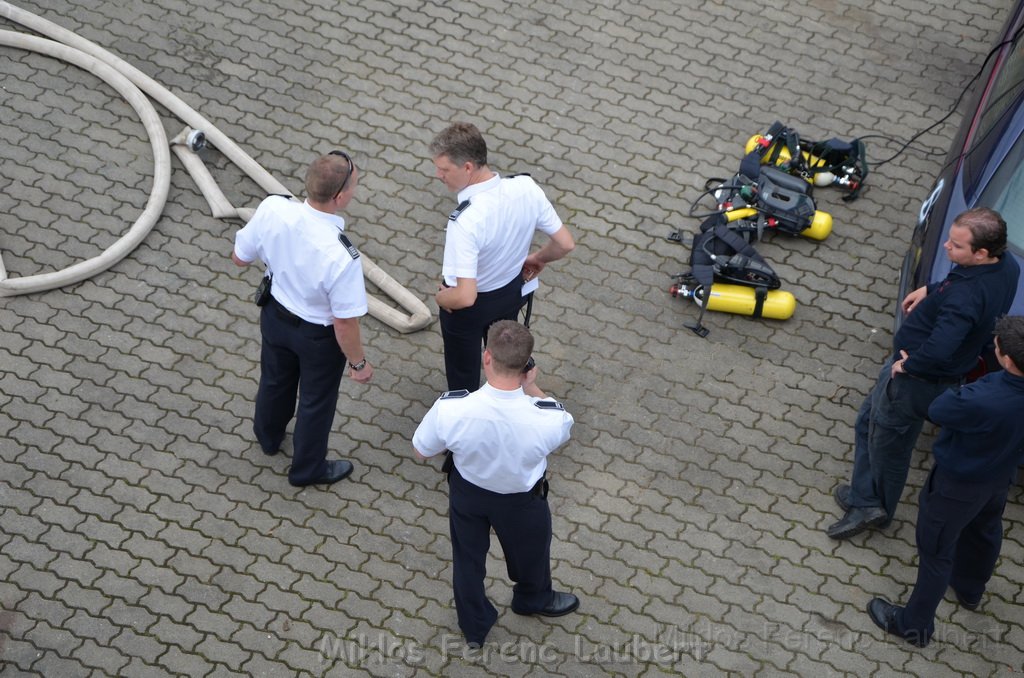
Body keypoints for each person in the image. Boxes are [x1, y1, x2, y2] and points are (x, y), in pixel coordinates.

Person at [827, 207, 1019, 539]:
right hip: (927, 374)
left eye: (957, 246)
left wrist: (909, 365)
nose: (946, 247)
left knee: (888, 444)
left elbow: (942, 346)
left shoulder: (964, 301)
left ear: (982, 252)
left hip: (916, 381)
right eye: (950, 240)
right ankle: (864, 494)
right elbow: (964, 283)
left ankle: (873, 509)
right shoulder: (1006, 266)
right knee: (868, 423)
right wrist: (932, 289)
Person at [412, 320, 577, 647]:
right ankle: (532, 599)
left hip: (468, 494)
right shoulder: (550, 419)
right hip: (522, 501)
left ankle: (474, 627)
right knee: (532, 554)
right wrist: (531, 388)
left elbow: (420, 451)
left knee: (467, 561)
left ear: (486, 357)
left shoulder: (452, 408)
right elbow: (561, 427)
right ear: (527, 366)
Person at [867, 315, 1024, 648]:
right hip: (1000, 476)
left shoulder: (982, 397)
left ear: (1006, 359)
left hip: (958, 486)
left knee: (936, 551)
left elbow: (938, 410)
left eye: (996, 345)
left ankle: (913, 625)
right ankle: (969, 589)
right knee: (985, 529)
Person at [231, 151, 373, 487]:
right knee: (315, 402)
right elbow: (344, 322)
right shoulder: (343, 255)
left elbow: (239, 258)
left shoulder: (273, 209)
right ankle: (307, 469)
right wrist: (358, 364)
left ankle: (267, 437)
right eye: (354, 186)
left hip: (275, 316)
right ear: (339, 197)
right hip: (318, 339)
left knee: (274, 380)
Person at [429, 122, 575, 392]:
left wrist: (440, 298)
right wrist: (539, 258)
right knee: (507, 364)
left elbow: (464, 296)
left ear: (468, 167)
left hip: (468, 312)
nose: (438, 175)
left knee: (463, 378)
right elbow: (565, 243)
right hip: (510, 293)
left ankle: (466, 422)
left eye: (444, 169)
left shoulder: (466, 220)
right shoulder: (526, 188)